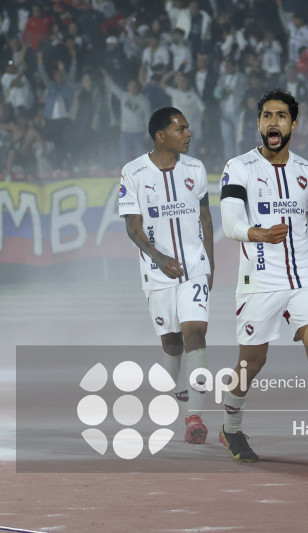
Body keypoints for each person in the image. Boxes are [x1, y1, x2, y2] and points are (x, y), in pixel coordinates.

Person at [218, 89, 308, 467]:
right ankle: (230, 428)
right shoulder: (239, 167)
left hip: (303, 278)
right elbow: (230, 221)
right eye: (266, 115)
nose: (273, 122)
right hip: (259, 282)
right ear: (258, 123)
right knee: (252, 363)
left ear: (293, 124)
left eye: (281, 116)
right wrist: (257, 233)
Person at [117, 107, 215, 445]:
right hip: (157, 272)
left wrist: (210, 265)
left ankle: (195, 418)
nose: (189, 134)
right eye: (181, 129)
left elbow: (205, 219)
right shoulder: (134, 173)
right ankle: (178, 392)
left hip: (194, 268)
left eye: (188, 128)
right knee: (171, 343)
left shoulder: (196, 169)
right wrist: (158, 258)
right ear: (161, 136)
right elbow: (132, 228)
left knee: (195, 335)